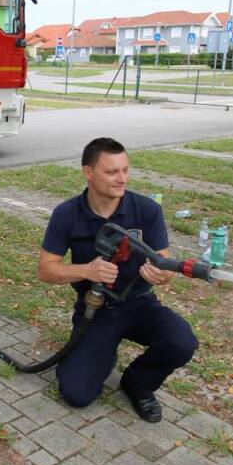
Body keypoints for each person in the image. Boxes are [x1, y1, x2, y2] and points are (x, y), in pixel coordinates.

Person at [36, 137, 199, 423]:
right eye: (112, 172)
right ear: (88, 172)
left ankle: (137, 384)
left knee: (182, 341)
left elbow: (164, 262)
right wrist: (86, 271)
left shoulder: (147, 210)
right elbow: (45, 270)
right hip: (95, 309)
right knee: (76, 393)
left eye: (125, 170)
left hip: (140, 304)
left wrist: (163, 275)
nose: (121, 178)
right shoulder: (67, 214)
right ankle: (99, 353)